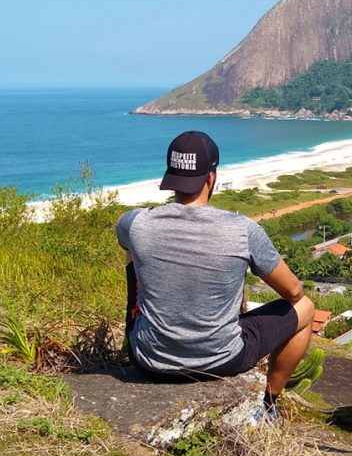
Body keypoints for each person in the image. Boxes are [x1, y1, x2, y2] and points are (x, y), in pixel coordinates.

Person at [116, 130, 315, 420]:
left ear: (170, 177)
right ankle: (269, 404)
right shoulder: (242, 230)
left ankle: (156, 333)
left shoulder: (134, 222)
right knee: (306, 308)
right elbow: (294, 293)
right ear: (211, 177)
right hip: (222, 360)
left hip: (148, 360)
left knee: (133, 249)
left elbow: (127, 244)